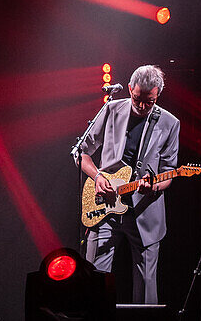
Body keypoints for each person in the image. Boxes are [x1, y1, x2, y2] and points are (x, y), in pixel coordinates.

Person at [75, 63, 181, 305]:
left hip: (144, 212)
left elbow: (169, 173)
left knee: (146, 285)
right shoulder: (111, 109)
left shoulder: (170, 123)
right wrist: (98, 177)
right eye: (137, 98)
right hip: (105, 208)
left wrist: (154, 186)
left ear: (157, 95)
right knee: (94, 278)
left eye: (149, 101)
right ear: (130, 88)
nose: (142, 106)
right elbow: (82, 153)